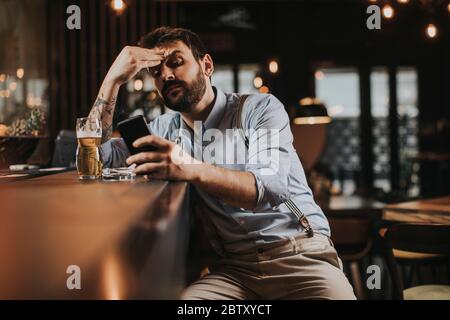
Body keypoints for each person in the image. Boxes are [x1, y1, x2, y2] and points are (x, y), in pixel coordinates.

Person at [88, 26, 356, 300]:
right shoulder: (164, 130)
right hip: (236, 272)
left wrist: (187, 166)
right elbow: (99, 156)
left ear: (206, 65)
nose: (166, 75)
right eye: (156, 72)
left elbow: (270, 188)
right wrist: (112, 81)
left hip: (300, 257)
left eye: (176, 63)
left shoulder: (259, 109)